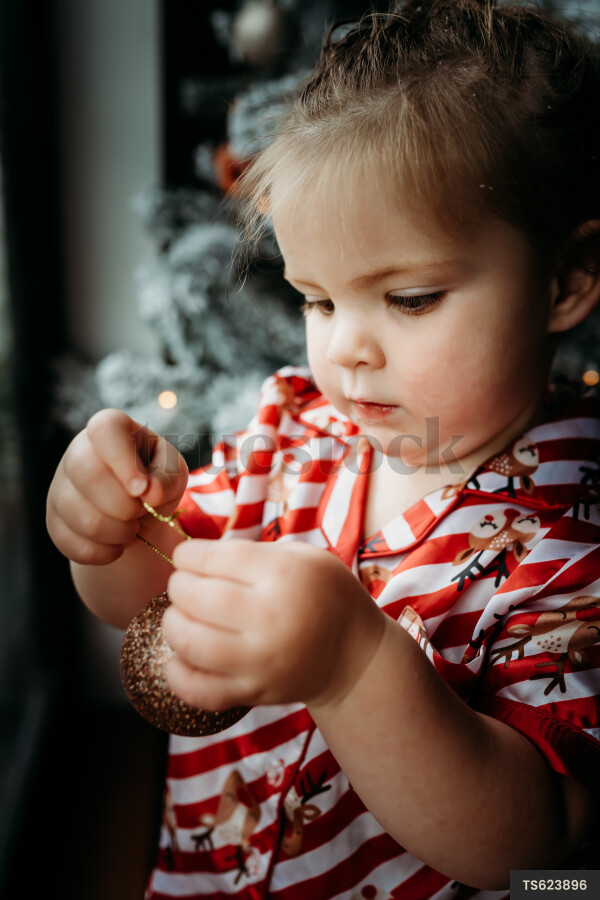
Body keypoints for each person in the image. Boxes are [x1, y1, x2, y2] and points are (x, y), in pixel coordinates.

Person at [46, 1, 600, 897]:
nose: (344, 349)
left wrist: (356, 669)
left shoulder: (574, 540)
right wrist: (106, 528)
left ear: (566, 280)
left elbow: (537, 851)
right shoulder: (291, 430)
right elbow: (149, 598)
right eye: (318, 299)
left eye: (410, 298)